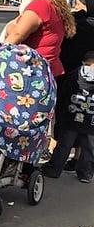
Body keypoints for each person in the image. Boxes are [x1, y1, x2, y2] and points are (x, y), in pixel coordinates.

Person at [4, 0, 76, 78]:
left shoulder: (39, 5)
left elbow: (16, 35)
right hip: (51, 68)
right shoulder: (55, 5)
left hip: (35, 71)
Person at [42, 51, 94, 183]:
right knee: (88, 148)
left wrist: (60, 110)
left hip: (72, 116)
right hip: (91, 119)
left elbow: (63, 93)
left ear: (84, 61)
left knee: (64, 145)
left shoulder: (74, 75)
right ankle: (85, 173)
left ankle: (54, 169)